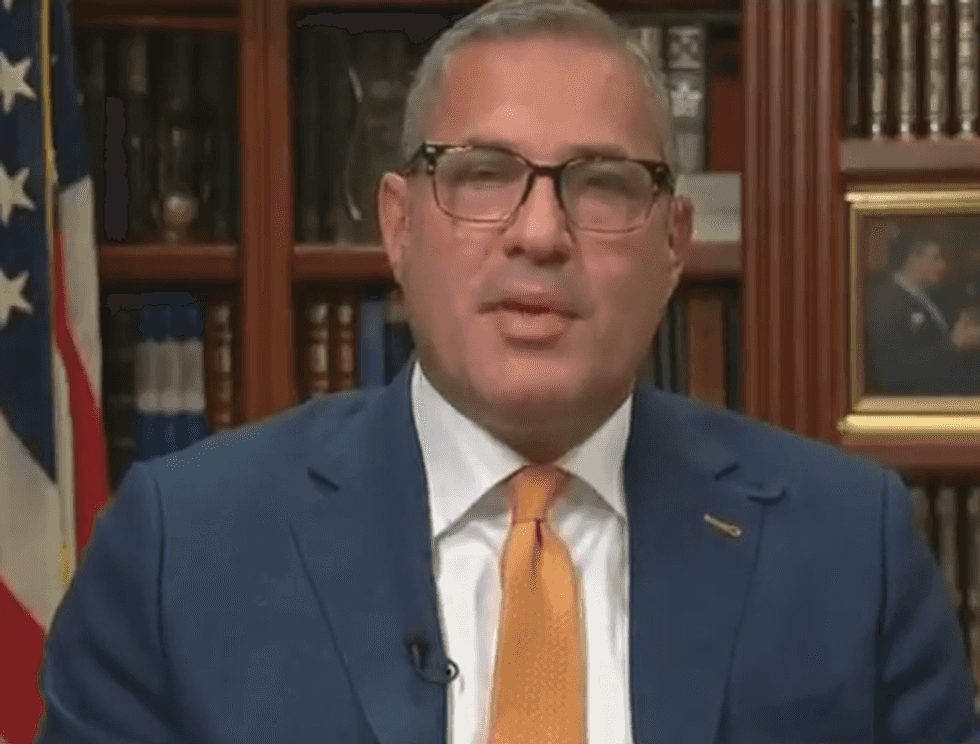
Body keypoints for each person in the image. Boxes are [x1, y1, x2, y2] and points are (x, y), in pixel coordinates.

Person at [37, 1, 980, 742]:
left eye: (603, 183)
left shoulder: (853, 551)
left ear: (673, 246)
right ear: (399, 227)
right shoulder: (178, 550)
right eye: (483, 174)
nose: (540, 233)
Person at [866, 225, 980, 395]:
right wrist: (953, 344)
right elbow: (894, 371)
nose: (942, 265)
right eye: (936, 258)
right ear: (913, 258)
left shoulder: (931, 294)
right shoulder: (888, 302)